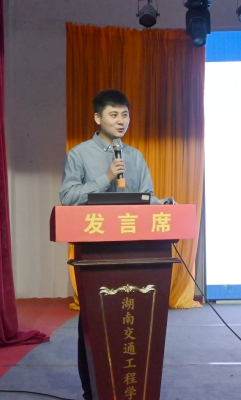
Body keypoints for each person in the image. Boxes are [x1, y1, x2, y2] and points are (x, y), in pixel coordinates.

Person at [59, 89, 171, 399]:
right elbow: (68, 198)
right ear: (98, 118)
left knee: (132, 321)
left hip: (134, 252)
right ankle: (92, 391)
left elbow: (146, 198)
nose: (121, 121)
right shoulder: (79, 154)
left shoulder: (135, 156)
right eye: (113, 115)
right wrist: (105, 177)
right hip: (97, 254)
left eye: (125, 115)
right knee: (94, 323)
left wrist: (164, 204)